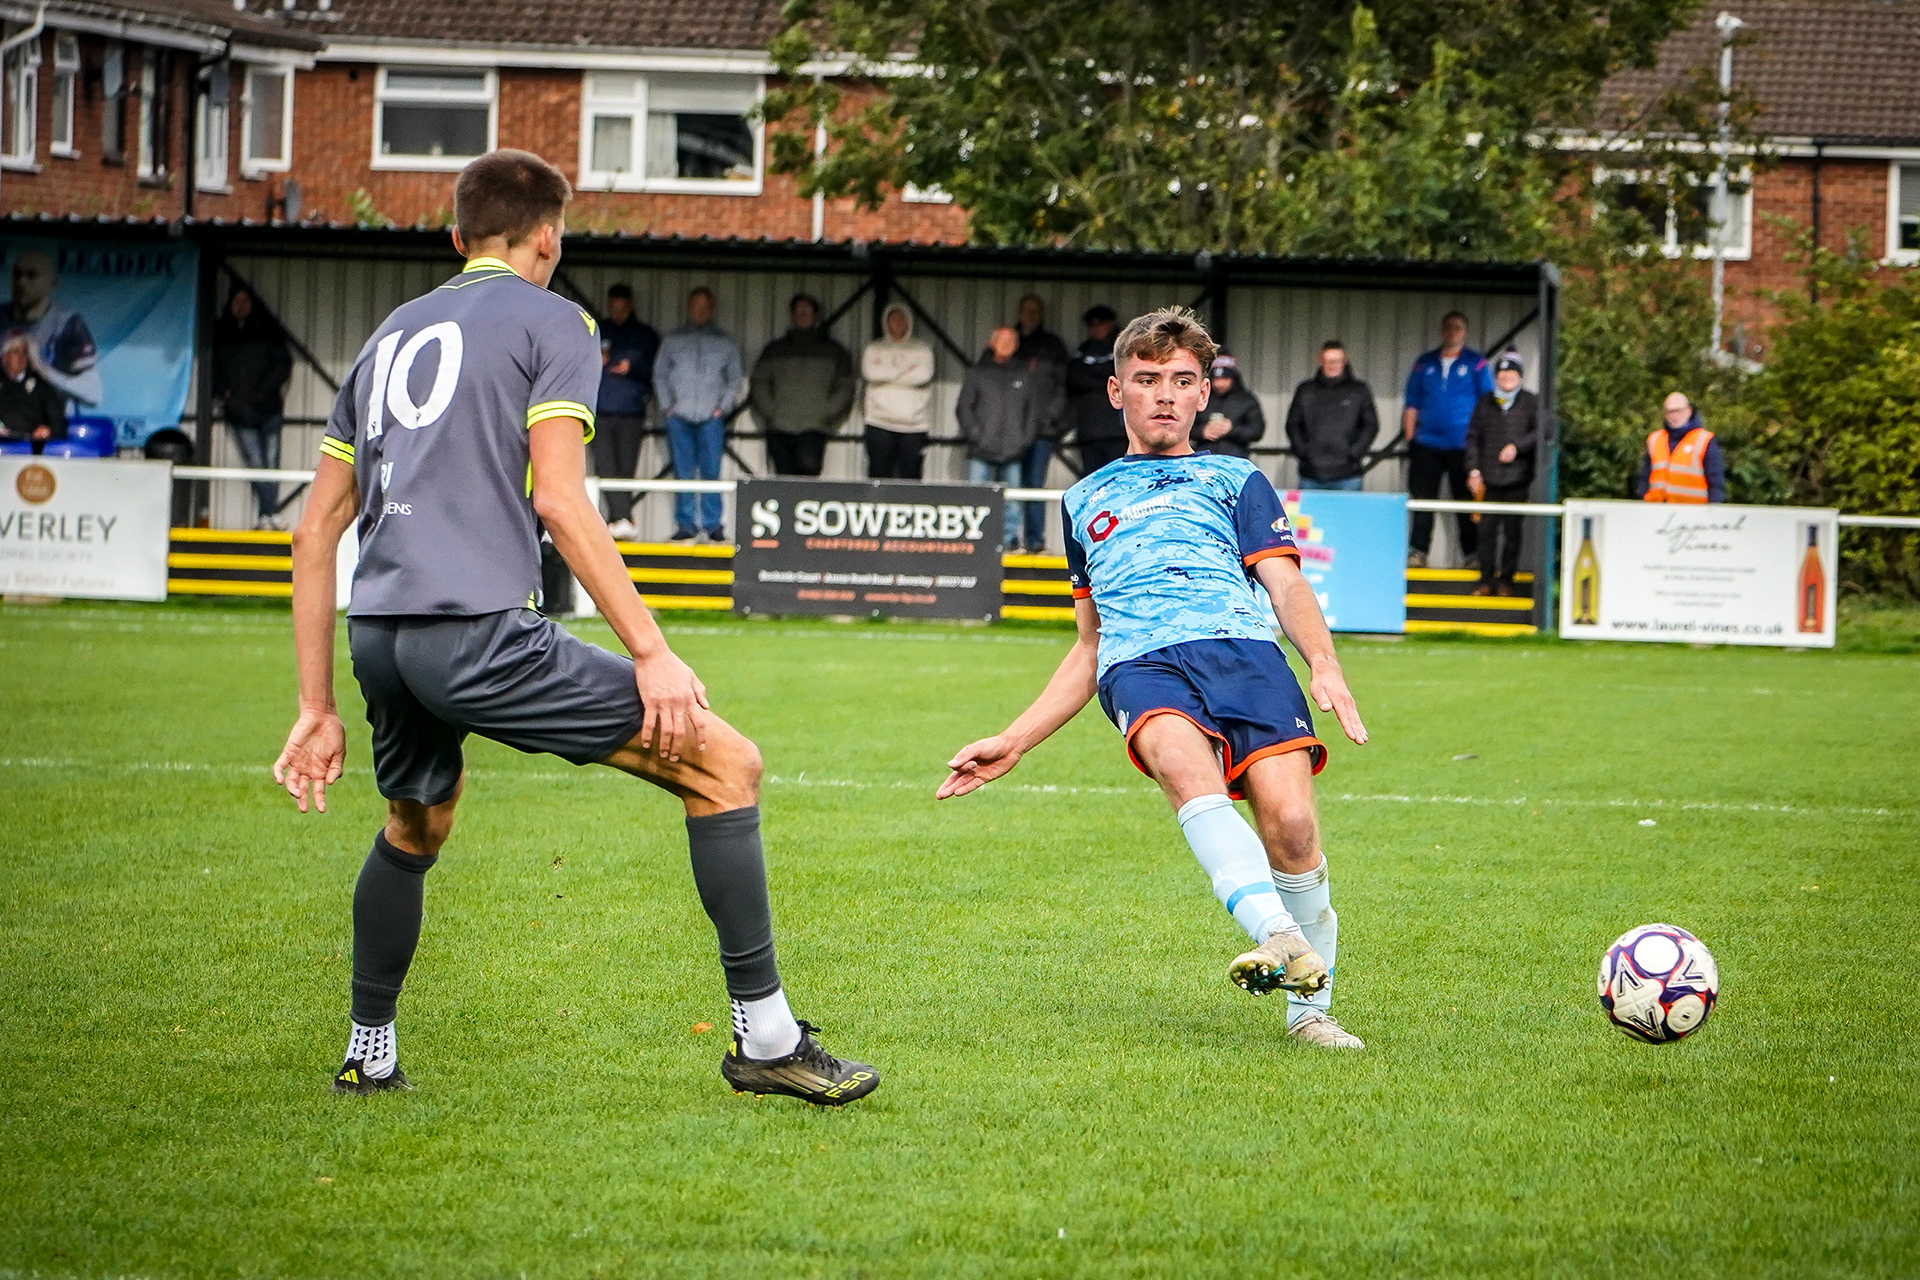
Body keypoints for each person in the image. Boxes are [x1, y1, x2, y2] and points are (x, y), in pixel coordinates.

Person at [274, 148, 877, 1107]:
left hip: (380, 636)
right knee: (727, 765)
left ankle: (369, 1049)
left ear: (456, 236)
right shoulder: (557, 321)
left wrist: (315, 704)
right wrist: (655, 651)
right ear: (549, 236)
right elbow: (559, 499)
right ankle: (765, 1040)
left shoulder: (388, 333)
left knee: (415, 824)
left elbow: (315, 530)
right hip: (476, 634)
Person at [938, 307, 1369, 1050]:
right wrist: (1016, 739)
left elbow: (1286, 586)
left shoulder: (1237, 479)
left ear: (1205, 394)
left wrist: (1321, 660)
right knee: (1177, 759)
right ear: (1116, 392)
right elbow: (1087, 645)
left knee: (1293, 830)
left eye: (1181, 380)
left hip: (1245, 653)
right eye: (1147, 379)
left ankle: (1309, 1014)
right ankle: (1274, 930)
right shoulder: (1082, 501)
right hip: (1141, 661)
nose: (1164, 394)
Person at [957, 325, 1063, 552]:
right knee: (977, 499)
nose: (1006, 345)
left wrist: (1024, 440)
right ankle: (978, 544)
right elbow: (964, 408)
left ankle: (1009, 542)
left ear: (1016, 346)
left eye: (1010, 341)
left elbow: (1032, 412)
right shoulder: (977, 373)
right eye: (1001, 340)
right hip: (981, 451)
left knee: (1012, 503)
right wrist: (976, 435)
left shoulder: (1025, 376)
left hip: (1013, 451)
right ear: (992, 343)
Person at [1401, 311, 1492, 568]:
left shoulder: (1476, 364)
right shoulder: (1424, 363)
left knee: (1465, 502)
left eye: (1458, 328)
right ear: (1442, 330)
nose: (1453, 332)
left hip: (1463, 446)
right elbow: (1412, 402)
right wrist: (1411, 438)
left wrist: (1482, 443)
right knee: (1422, 501)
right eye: (1449, 327)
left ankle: (1472, 555)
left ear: (1465, 332)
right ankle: (1418, 551)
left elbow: (1487, 404)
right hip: (1427, 444)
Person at [653, 287, 742, 542]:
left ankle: (713, 525)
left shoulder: (725, 342)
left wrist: (721, 408)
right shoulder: (672, 340)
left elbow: (734, 378)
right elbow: (659, 373)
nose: (700, 311)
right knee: (683, 471)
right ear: (688, 307)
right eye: (696, 305)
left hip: (710, 418)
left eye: (705, 306)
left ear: (712, 309)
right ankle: (686, 525)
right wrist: (667, 407)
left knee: (711, 470)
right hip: (678, 416)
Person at [211, 287, 295, 529]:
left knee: (271, 463)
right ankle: (271, 514)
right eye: (237, 300)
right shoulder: (221, 331)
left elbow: (283, 364)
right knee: (257, 464)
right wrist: (226, 394)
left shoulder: (268, 330)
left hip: (269, 409)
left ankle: (267, 515)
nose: (241, 305)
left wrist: (262, 392)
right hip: (238, 412)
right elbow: (211, 367)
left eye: (245, 300)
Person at [749, 294, 856, 479]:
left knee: (809, 477)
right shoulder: (775, 349)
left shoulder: (834, 351)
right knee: (783, 481)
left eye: (807, 311)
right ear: (792, 315)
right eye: (799, 311)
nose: (803, 315)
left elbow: (846, 386)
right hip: (779, 426)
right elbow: (759, 382)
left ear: (815, 315)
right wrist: (772, 411)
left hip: (814, 428)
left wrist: (825, 412)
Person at [1464, 351, 1541, 596]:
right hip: (1489, 479)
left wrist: (1517, 447)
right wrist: (1473, 470)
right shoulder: (1484, 403)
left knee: (1511, 533)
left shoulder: (1531, 402)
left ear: (1520, 376)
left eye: (1512, 372)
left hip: (1518, 479)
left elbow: (1543, 431)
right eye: (1502, 372)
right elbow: (1473, 439)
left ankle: (1506, 581)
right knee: (1485, 531)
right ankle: (1485, 580)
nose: (1506, 376)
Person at [592, 283, 660, 541]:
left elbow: (654, 369)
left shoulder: (644, 335)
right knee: (605, 466)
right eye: (614, 307)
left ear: (630, 305)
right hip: (600, 410)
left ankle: (622, 518)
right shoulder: (598, 330)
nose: (618, 312)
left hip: (631, 411)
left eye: (622, 308)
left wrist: (631, 367)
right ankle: (619, 519)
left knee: (625, 468)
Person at [4, 249, 102, 407]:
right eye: (17, 274)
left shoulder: (67, 325)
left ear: (52, 283)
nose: (22, 282)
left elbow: (93, 395)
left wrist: (41, 368)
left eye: (31, 275)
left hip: (49, 422)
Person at [1012, 294, 1070, 551]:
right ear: (1019, 313)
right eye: (1027, 310)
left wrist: (1051, 419)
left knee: (1034, 484)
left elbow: (1062, 388)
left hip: (1041, 432)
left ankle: (1035, 541)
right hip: (1010, 432)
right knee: (1010, 487)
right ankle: (1008, 540)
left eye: (1036, 311)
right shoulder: (1008, 342)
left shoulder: (1052, 346)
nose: (1031, 315)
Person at [1284, 340, 1378, 491]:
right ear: (1320, 362)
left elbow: (1370, 425)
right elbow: (1293, 424)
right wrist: (1303, 451)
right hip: (1311, 474)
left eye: (1336, 361)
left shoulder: (1358, 391)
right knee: (1310, 516)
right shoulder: (1306, 390)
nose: (1332, 365)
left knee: (1348, 515)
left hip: (1348, 475)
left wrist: (1354, 453)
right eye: (1328, 361)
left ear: (1344, 362)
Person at [860, 302, 935, 480]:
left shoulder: (922, 350)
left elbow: (923, 375)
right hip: (879, 422)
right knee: (879, 476)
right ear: (885, 322)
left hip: (914, 424)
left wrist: (886, 375)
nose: (898, 323)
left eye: (902, 319)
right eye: (893, 319)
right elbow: (870, 373)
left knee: (911, 478)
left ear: (909, 321)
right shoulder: (874, 349)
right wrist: (906, 370)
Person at [1631, 392, 1727, 504]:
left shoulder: (1705, 440)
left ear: (1689, 411)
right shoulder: (1655, 439)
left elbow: (1716, 481)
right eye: (1669, 412)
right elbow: (1644, 476)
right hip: (1656, 510)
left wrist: (1712, 510)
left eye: (1678, 411)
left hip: (1693, 513)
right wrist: (1642, 499)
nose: (1674, 416)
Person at [1066, 304, 1126, 475]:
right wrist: (1104, 379)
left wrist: (1094, 377)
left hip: (1117, 433)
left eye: (1101, 324)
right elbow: (1074, 378)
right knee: (1092, 481)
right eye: (1092, 325)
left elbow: (1122, 376)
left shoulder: (1122, 350)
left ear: (1111, 324)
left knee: (1117, 480)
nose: (1096, 329)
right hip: (1089, 432)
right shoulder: (1082, 351)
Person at [1192, 350, 1265, 459]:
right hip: (1203, 459)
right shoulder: (1201, 398)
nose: (1219, 384)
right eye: (1216, 379)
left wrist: (1232, 430)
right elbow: (1184, 425)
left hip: (1236, 459)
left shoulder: (1246, 400)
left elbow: (1257, 430)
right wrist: (1202, 432)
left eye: (1224, 379)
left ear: (1233, 378)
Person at [0, 334, 67, 451]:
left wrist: (47, 429)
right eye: (15, 352)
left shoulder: (41, 386)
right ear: (5, 357)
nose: (21, 357)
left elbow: (57, 418)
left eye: (24, 353)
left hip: (34, 448)